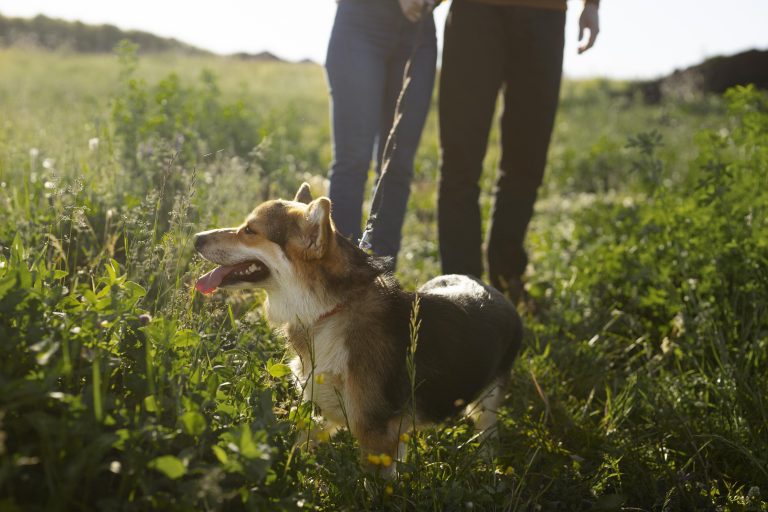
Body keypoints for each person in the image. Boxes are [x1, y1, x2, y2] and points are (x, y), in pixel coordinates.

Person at [437, 0, 600, 301]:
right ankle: (460, 294)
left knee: (527, 159)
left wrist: (591, 5)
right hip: (475, 12)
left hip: (545, 15)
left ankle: (507, 279)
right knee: (460, 160)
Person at [325, 0, 437, 267]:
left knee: (397, 165)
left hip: (418, 31)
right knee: (352, 161)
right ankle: (338, 275)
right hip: (360, 20)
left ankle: (382, 279)